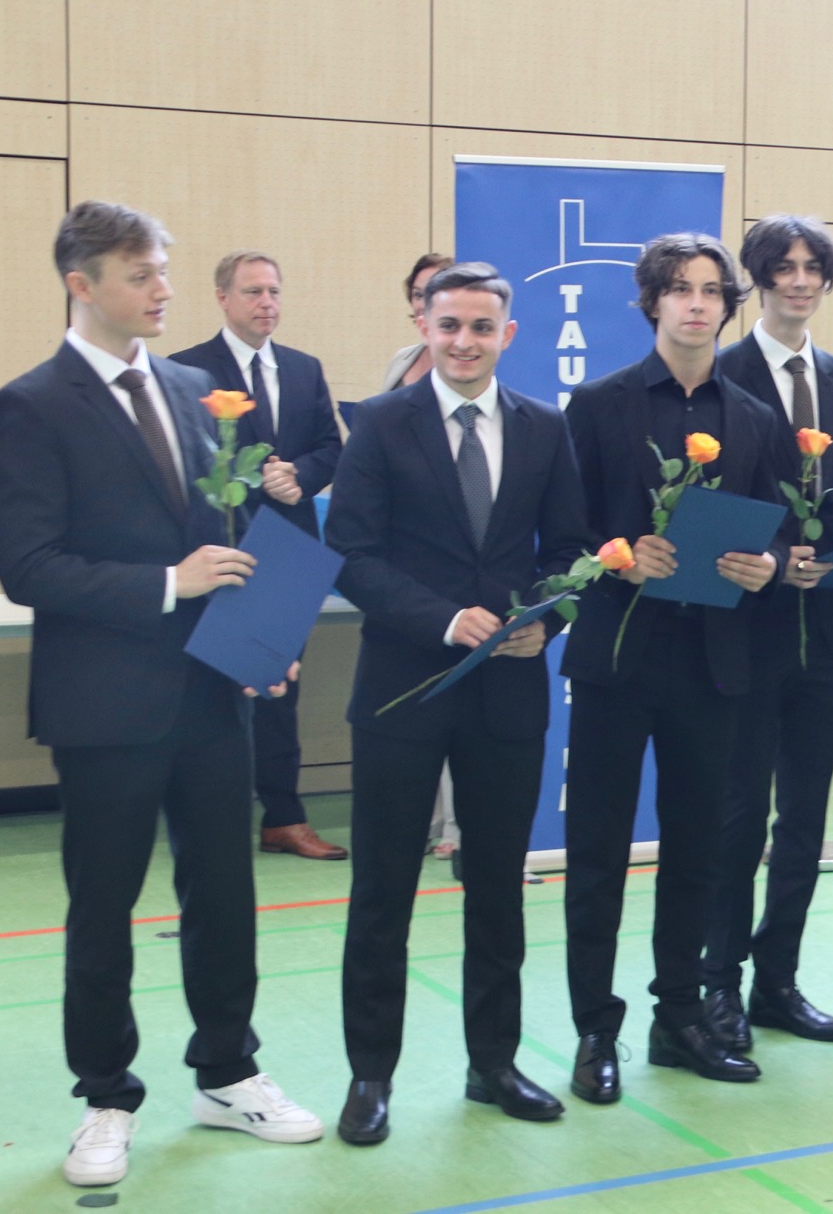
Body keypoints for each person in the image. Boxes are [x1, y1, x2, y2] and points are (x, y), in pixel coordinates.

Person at [0, 201, 319, 1188]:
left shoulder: (193, 390)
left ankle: (228, 1070)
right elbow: (27, 565)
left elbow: (232, 530)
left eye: (165, 270)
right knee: (103, 907)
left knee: (225, 895)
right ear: (81, 284)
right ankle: (105, 1094)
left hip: (214, 694)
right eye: (141, 275)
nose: (164, 289)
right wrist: (168, 584)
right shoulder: (29, 405)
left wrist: (267, 639)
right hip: (104, 705)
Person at [326, 261, 588, 1144]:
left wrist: (543, 621)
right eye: (449, 325)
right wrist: (443, 620)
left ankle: (494, 1064)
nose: (465, 342)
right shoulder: (379, 423)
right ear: (424, 327)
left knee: (498, 890)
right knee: (383, 892)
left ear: (507, 335)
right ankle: (370, 1075)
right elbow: (351, 555)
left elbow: (572, 549)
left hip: (508, 694)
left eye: (482, 327)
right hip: (402, 690)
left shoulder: (544, 427)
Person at [560, 233, 792, 1094]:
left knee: (698, 851)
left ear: (728, 305)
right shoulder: (598, 405)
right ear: (652, 301)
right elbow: (565, 530)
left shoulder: (755, 418)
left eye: (710, 290)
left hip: (712, 664)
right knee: (598, 855)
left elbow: (776, 532)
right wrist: (619, 555)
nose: (696, 303)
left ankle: (680, 1018)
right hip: (618, 662)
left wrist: (767, 568)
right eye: (680, 289)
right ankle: (595, 1029)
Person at [702, 215, 833, 1051]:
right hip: (745, 626)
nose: (799, 280)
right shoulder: (720, 371)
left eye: (812, 267)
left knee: (807, 817)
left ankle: (778, 980)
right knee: (739, 815)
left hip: (824, 627)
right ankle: (719, 985)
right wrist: (779, 558)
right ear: (758, 279)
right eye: (783, 267)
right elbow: (714, 506)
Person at [171, 250, 346, 861]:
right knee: (211, 688)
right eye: (252, 292)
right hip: (216, 550)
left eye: (273, 291)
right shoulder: (187, 370)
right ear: (223, 298)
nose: (266, 302)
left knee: (278, 690)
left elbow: (331, 447)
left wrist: (300, 475)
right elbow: (181, 460)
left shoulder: (303, 368)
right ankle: (207, 816)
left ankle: (284, 817)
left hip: (287, 549)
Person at [381, 253, 463, 865]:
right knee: (413, 706)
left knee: (462, 699)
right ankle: (432, 817)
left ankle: (457, 823)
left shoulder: (512, 405)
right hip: (400, 569)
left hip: (464, 573)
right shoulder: (399, 367)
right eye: (420, 293)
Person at [380, 252, 452, 393]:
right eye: (418, 295)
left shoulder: (463, 362)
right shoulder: (401, 358)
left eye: (433, 295)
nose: (422, 305)